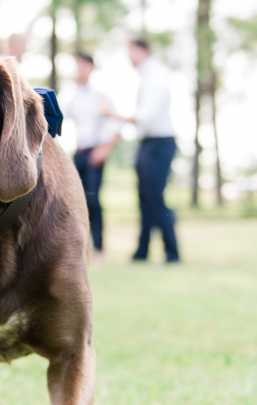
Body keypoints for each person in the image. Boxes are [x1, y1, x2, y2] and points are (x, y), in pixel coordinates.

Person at [103, 38, 180, 263]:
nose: (128, 57)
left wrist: (112, 114)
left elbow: (145, 117)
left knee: (154, 198)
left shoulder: (155, 76)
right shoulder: (149, 75)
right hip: (149, 143)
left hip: (159, 143)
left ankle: (172, 251)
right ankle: (142, 251)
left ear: (141, 50)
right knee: (145, 198)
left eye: (130, 52)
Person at [63, 53, 120, 261]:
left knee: (93, 200)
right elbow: (58, 117)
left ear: (90, 67)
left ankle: (99, 248)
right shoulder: (72, 96)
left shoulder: (101, 96)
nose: (79, 69)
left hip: (95, 154)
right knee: (76, 202)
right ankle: (79, 246)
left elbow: (118, 126)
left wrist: (105, 148)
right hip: (78, 154)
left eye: (82, 65)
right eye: (76, 65)